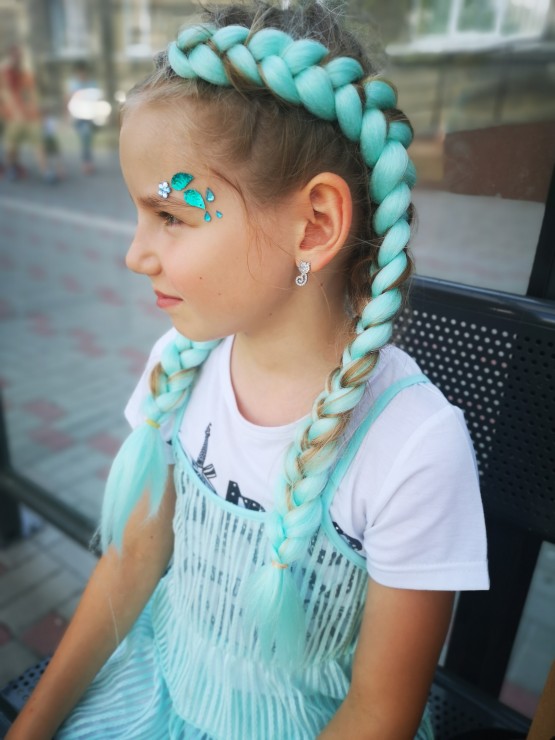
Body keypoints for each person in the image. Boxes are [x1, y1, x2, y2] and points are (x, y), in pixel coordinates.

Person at [6, 3, 489, 738]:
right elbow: (132, 561)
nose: (135, 254)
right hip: (159, 685)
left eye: (171, 216)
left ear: (314, 226)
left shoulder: (412, 450)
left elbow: (378, 713)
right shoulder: (178, 367)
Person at [0, 45, 47, 181]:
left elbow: (31, 92)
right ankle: (12, 167)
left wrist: (36, 109)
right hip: (10, 115)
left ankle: (44, 171)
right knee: (12, 145)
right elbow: (5, 93)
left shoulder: (24, 73)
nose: (18, 58)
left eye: (20, 56)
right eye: (16, 56)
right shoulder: (5, 72)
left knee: (33, 142)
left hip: (25, 115)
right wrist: (15, 112)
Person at [66, 61, 97, 174]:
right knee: (85, 136)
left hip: (89, 116)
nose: (82, 74)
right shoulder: (73, 84)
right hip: (78, 116)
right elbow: (69, 100)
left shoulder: (92, 84)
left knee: (87, 139)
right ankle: (87, 162)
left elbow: (96, 99)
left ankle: (87, 161)